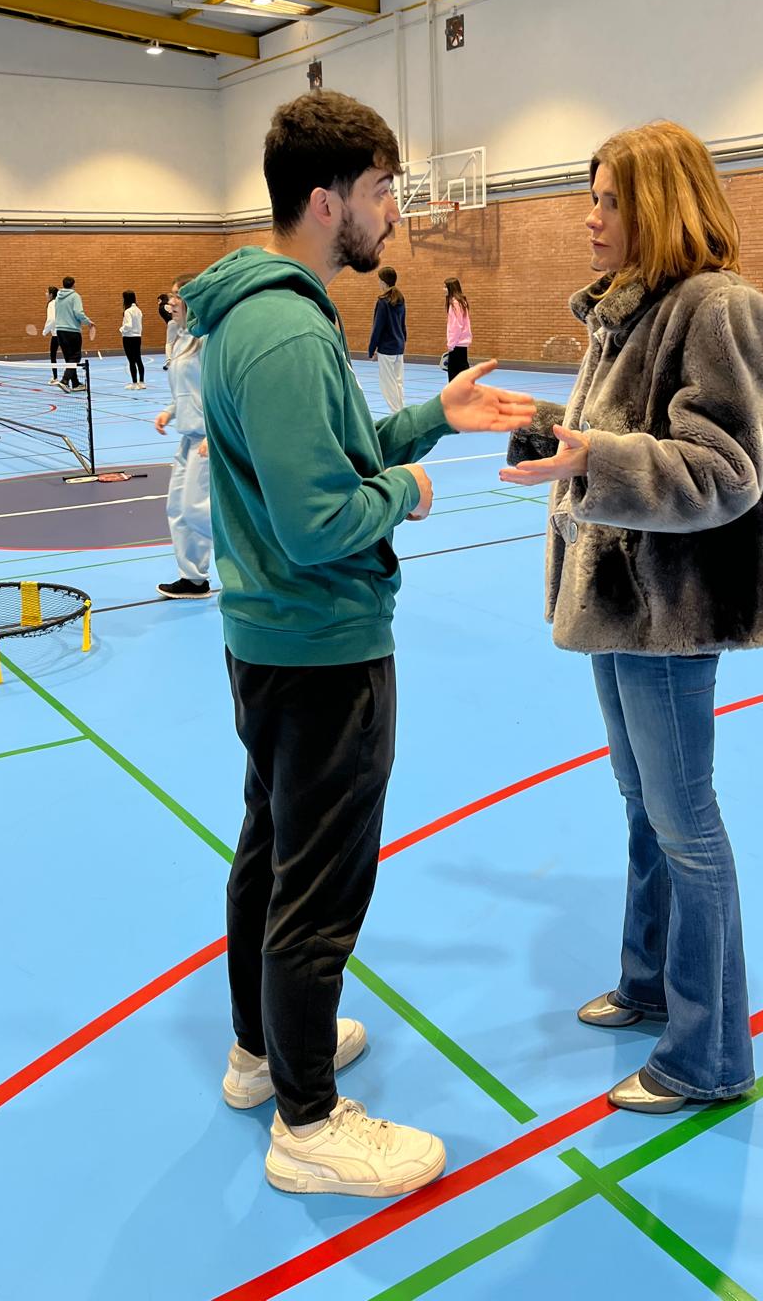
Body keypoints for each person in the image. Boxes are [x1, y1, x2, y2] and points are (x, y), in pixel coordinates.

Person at [180, 90, 534, 1197]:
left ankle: (260, 1050)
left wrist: (434, 419)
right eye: (384, 192)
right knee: (317, 883)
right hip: (320, 642)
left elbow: (332, 458)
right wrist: (415, 487)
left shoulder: (271, 312)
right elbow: (321, 517)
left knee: (271, 848)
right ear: (329, 201)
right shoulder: (286, 327)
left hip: (275, 637)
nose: (396, 213)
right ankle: (308, 1121)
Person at [500, 120, 763, 1116]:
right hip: (619, 605)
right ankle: (650, 979)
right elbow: (613, 445)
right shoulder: (626, 314)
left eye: (609, 198)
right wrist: (568, 446)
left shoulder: (720, 308)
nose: (590, 216)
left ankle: (708, 1056)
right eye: (592, 195)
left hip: (673, 613)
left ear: (660, 203)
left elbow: (724, 472)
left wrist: (594, 459)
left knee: (686, 823)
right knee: (639, 803)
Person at [153, 276, 213, 599]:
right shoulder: (179, 338)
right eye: (171, 295)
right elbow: (187, 391)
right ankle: (194, 579)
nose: (171, 301)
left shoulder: (208, 340)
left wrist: (215, 434)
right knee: (176, 508)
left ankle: (255, 552)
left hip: (209, 440)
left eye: (178, 296)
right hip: (188, 438)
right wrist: (170, 410)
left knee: (196, 509)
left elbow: (220, 391)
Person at [367, 265, 407, 412]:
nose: (378, 283)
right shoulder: (401, 299)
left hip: (387, 349)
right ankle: (401, 410)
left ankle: (397, 415)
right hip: (399, 346)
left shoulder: (383, 302)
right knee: (398, 382)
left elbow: (377, 328)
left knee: (388, 385)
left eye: (379, 280)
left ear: (384, 282)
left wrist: (372, 349)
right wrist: (403, 342)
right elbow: (403, 325)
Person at [53, 277, 92, 392]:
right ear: (73, 285)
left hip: (59, 331)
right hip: (72, 331)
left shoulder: (57, 298)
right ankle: (64, 381)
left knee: (69, 358)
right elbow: (78, 312)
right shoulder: (75, 296)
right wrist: (88, 322)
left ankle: (75, 384)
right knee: (75, 356)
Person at [444, 277, 471, 381]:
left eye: (445, 287)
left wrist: (451, 344)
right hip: (461, 344)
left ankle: (456, 396)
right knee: (463, 373)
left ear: (451, 288)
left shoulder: (455, 304)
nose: (444, 289)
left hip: (457, 345)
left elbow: (456, 326)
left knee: (454, 375)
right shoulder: (461, 302)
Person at [120, 289, 145, 390]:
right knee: (138, 359)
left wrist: (122, 329)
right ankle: (142, 382)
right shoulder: (138, 310)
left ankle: (134, 383)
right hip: (137, 337)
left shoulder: (128, 311)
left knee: (131, 361)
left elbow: (128, 325)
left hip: (128, 338)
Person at [42, 285, 60, 384]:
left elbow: (51, 319)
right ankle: (71, 379)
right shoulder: (60, 302)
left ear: (51, 294)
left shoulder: (51, 304)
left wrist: (45, 331)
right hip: (66, 332)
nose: (45, 294)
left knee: (53, 356)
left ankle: (55, 378)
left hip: (56, 335)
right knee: (68, 357)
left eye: (47, 292)